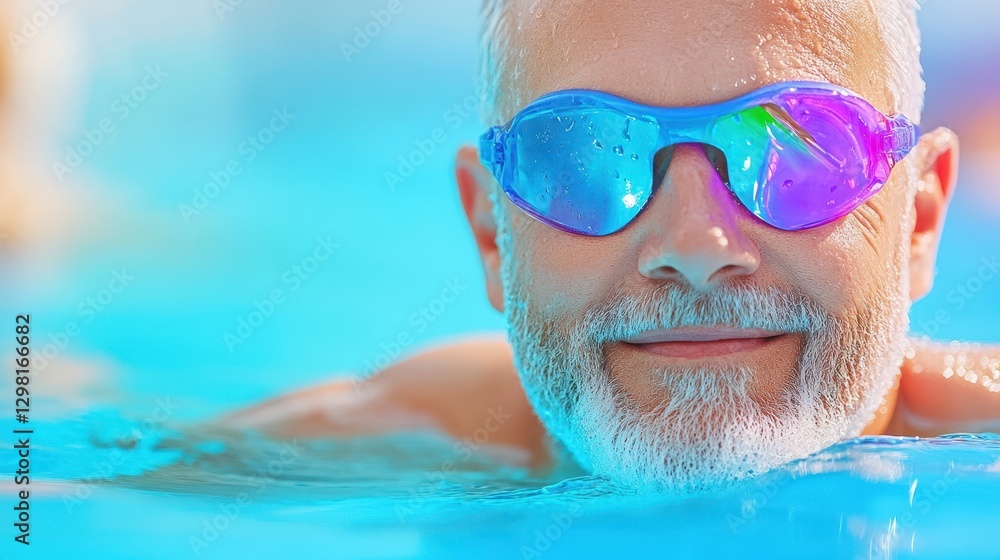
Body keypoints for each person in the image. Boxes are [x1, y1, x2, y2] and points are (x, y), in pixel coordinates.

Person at [224, 0, 1000, 491]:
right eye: (586, 158)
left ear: (919, 220)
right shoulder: (387, 441)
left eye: (791, 152)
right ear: (492, 232)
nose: (696, 247)